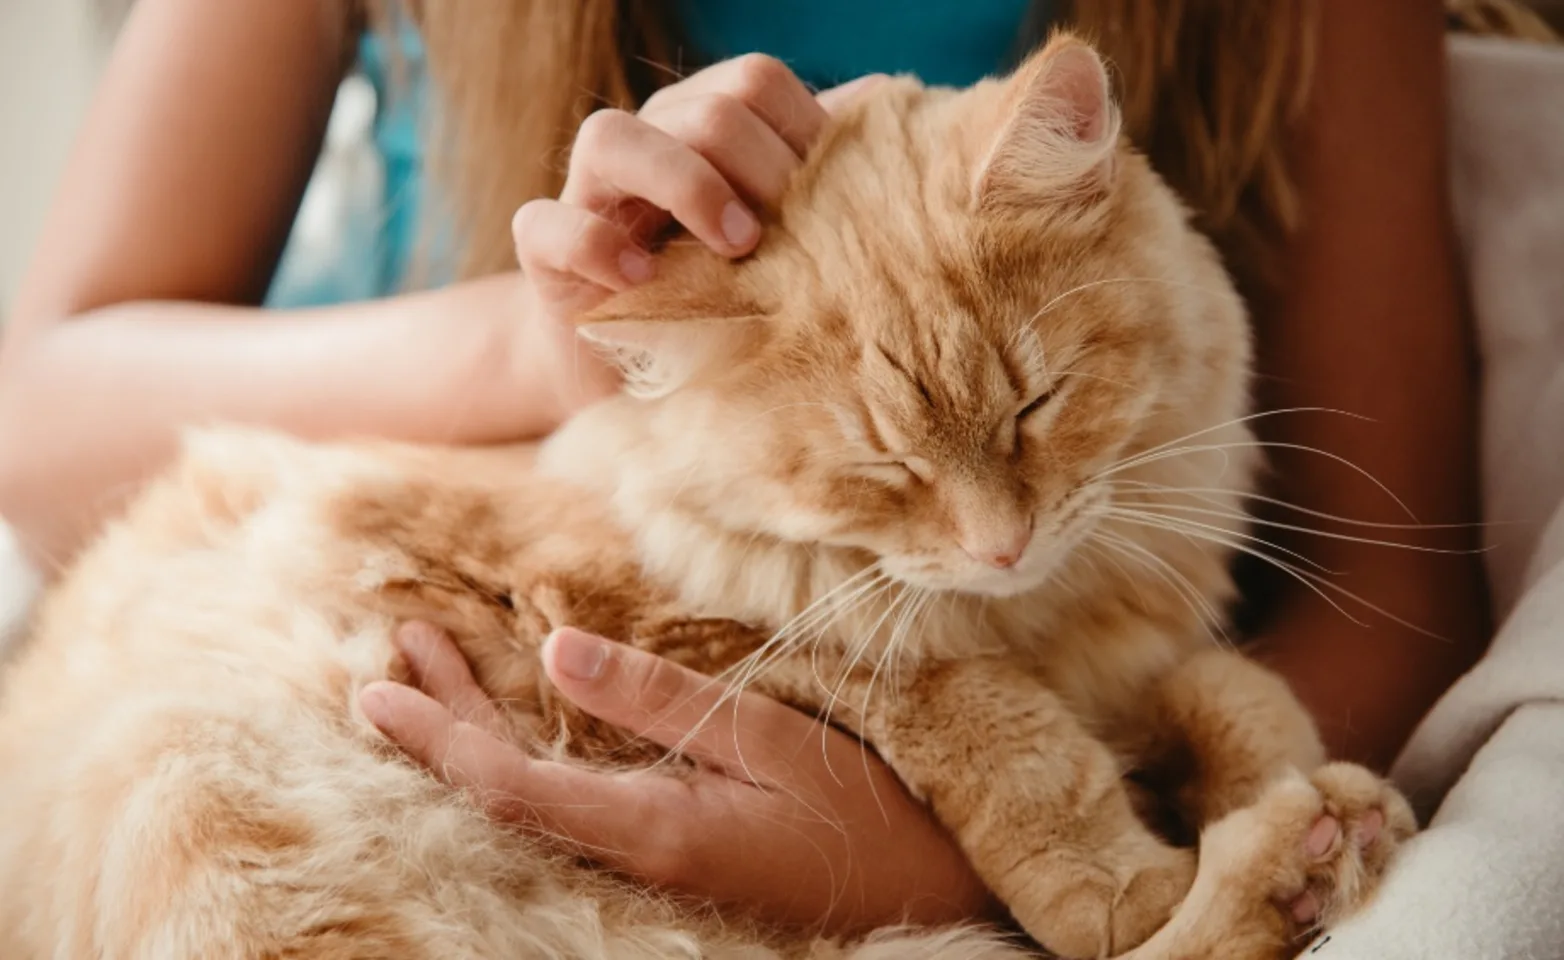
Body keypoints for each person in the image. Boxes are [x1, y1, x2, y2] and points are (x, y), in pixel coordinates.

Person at [0, 0, 1518, 937]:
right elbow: (38, 420)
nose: (992, 532)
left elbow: (1393, 585)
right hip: (388, 562)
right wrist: (547, 355)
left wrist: (946, 862)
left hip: (955, 765)